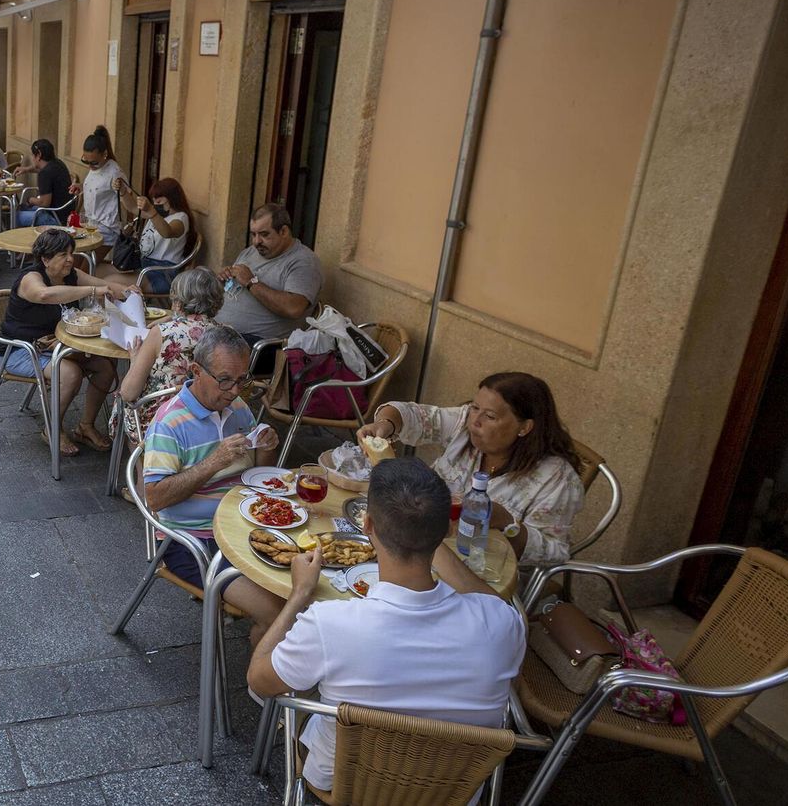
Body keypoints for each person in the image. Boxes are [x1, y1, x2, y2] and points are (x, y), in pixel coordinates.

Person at [247, 458, 524, 798]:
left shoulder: (329, 623)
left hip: (344, 784)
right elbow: (492, 601)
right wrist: (429, 540)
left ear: (367, 524)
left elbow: (259, 680)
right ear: (448, 531)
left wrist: (299, 594)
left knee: (302, 684)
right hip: (451, 792)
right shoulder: (503, 623)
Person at [143, 326, 285, 638]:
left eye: (241, 380)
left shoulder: (237, 407)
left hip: (244, 526)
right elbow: (155, 498)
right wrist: (214, 461)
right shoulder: (169, 423)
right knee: (277, 612)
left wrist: (266, 448)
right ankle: (263, 685)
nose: (234, 390)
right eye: (224, 380)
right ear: (196, 371)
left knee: (305, 586)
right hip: (193, 541)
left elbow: (258, 477)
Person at [358, 372, 585, 567]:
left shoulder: (556, 478)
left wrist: (507, 523)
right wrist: (385, 424)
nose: (475, 420)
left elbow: (554, 552)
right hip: (418, 546)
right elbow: (411, 415)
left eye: (490, 416)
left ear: (524, 427)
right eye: (475, 408)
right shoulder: (466, 424)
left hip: (484, 570)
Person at [0, 228, 135, 456]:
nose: (70, 259)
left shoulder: (71, 275)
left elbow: (105, 285)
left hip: (58, 345)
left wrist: (128, 291)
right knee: (70, 373)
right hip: (22, 349)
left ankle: (85, 426)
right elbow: (45, 295)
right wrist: (92, 290)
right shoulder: (31, 278)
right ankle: (52, 428)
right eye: (62, 254)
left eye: (71, 253)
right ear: (45, 259)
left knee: (105, 367)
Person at [214, 205, 323, 371]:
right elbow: (235, 285)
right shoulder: (250, 252)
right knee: (169, 332)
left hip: (261, 347)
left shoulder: (303, 262)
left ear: (284, 231)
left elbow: (293, 308)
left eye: (264, 234)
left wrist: (251, 282)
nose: (257, 241)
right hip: (223, 333)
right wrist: (225, 278)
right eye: (254, 234)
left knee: (183, 347)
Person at [119, 268, 224, 435]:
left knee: (124, 403)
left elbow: (128, 393)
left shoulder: (163, 333)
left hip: (163, 419)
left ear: (179, 301)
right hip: (211, 414)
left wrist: (134, 360)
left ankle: (143, 459)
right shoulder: (225, 333)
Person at [98, 177, 194, 296]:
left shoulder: (181, 218)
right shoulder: (157, 213)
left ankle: (105, 311)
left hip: (161, 273)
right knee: (97, 271)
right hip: (142, 265)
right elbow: (132, 207)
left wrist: (151, 211)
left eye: (159, 202)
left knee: (109, 282)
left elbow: (167, 232)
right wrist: (122, 191)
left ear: (172, 199)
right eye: (153, 201)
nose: (155, 204)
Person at [72, 126, 126, 252]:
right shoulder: (95, 167)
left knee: (84, 268)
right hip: (90, 225)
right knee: (74, 261)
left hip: (107, 228)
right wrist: (81, 187)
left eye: (94, 162)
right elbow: (98, 187)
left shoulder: (114, 171)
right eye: (86, 161)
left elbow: (126, 199)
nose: (90, 166)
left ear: (104, 154)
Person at [20, 139, 75, 227]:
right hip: (65, 214)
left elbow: (44, 203)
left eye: (33, 155)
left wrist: (29, 199)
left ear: (39, 155)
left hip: (55, 218)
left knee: (14, 216)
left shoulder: (45, 173)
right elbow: (41, 169)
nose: (32, 158)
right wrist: (27, 169)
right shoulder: (58, 163)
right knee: (22, 208)